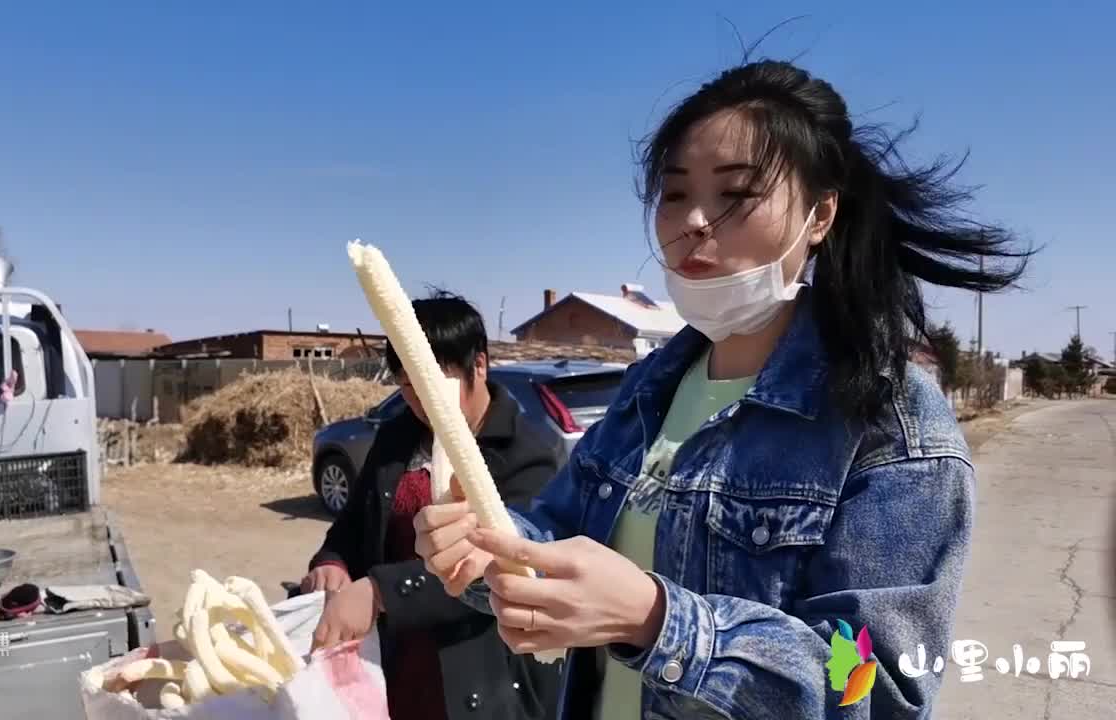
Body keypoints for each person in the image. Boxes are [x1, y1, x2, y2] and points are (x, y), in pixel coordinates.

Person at [414, 59, 1033, 719]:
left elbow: (877, 690)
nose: (694, 221)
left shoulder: (890, 417)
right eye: (676, 193)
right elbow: (554, 538)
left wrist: (657, 621)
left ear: (821, 214)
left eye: (735, 194)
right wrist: (488, 545)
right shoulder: (650, 387)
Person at [302, 291, 564, 720]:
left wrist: (381, 592)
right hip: (398, 662)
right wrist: (333, 561)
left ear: (479, 366)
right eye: (408, 386)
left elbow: (504, 565)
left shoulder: (526, 452)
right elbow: (355, 522)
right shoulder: (396, 437)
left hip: (481, 674)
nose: (421, 402)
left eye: (434, 383)